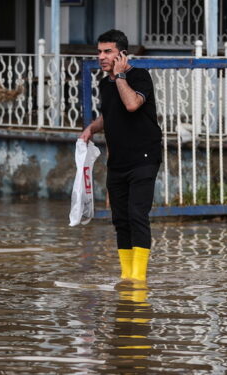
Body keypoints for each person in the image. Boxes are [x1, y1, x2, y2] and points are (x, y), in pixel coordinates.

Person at [80, 29, 162, 288]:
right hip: (118, 162)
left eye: (108, 52)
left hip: (144, 157)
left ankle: (139, 279)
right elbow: (111, 115)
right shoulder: (104, 84)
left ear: (122, 54)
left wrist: (121, 76)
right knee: (120, 218)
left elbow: (131, 104)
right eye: (99, 51)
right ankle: (127, 276)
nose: (101, 57)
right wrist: (93, 128)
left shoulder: (139, 76)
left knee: (137, 214)